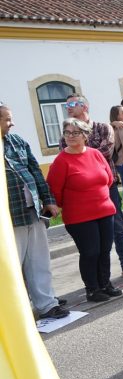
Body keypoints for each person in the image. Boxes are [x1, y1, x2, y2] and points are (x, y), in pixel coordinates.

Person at [65, 94, 123, 278]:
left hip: (106, 186)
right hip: (83, 191)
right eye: (67, 105)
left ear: (85, 106)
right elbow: (67, 155)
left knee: (117, 226)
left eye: (73, 104)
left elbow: (105, 153)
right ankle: (101, 278)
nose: (68, 107)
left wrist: (79, 155)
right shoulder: (67, 134)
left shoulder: (103, 128)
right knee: (94, 235)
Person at [1, 103, 68, 319]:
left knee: (39, 261)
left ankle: (47, 304)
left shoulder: (17, 141)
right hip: (9, 219)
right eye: (6, 119)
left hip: (33, 211)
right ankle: (17, 312)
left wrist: (48, 200)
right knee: (11, 268)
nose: (12, 123)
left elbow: (35, 171)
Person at [47, 118, 121, 302]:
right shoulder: (61, 161)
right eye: (67, 132)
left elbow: (108, 179)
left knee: (104, 250)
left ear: (85, 135)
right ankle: (92, 289)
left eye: (75, 132)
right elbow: (54, 191)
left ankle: (105, 284)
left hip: (105, 210)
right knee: (90, 252)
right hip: (79, 216)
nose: (70, 136)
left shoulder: (95, 154)